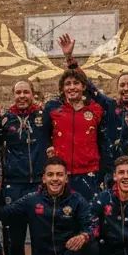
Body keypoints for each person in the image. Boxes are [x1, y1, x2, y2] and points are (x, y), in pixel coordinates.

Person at [3, 158, 99, 255]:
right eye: (51, 174)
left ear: (66, 178)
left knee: (91, 244)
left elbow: (93, 224)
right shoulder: (31, 200)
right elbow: (5, 213)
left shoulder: (77, 200)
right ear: (44, 178)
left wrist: (84, 235)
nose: (55, 179)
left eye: (59, 174)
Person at [43, 36, 112, 202]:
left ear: (83, 87)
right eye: (68, 84)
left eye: (76, 83)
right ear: (62, 89)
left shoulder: (95, 109)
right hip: (61, 175)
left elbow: (100, 96)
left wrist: (70, 60)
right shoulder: (53, 110)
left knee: (89, 213)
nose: (72, 87)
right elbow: (44, 136)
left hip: (89, 174)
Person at [0, 79, 48, 255]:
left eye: (25, 92)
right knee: (14, 240)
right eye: (18, 92)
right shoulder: (5, 119)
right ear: (13, 94)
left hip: (38, 184)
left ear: (32, 94)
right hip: (14, 185)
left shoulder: (44, 117)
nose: (21, 96)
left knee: (40, 237)